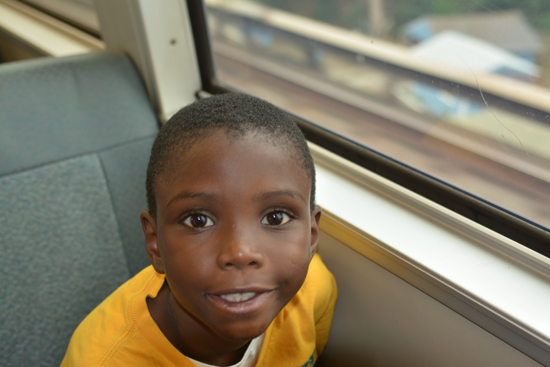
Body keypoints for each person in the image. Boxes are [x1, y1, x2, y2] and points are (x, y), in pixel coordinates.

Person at [60, 93, 337, 367]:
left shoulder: (314, 290)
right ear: (155, 243)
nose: (240, 252)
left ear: (311, 237)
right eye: (198, 221)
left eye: (276, 218)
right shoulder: (101, 361)